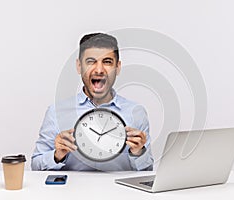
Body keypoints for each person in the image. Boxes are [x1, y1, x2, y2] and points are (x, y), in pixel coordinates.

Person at [31, 33, 154, 171]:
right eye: (90, 61)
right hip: (72, 191)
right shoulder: (56, 112)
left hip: (119, 192)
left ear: (118, 68)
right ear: (79, 66)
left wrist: (138, 152)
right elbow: (36, 166)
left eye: (107, 62)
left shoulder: (136, 113)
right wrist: (57, 155)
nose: (99, 69)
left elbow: (147, 172)